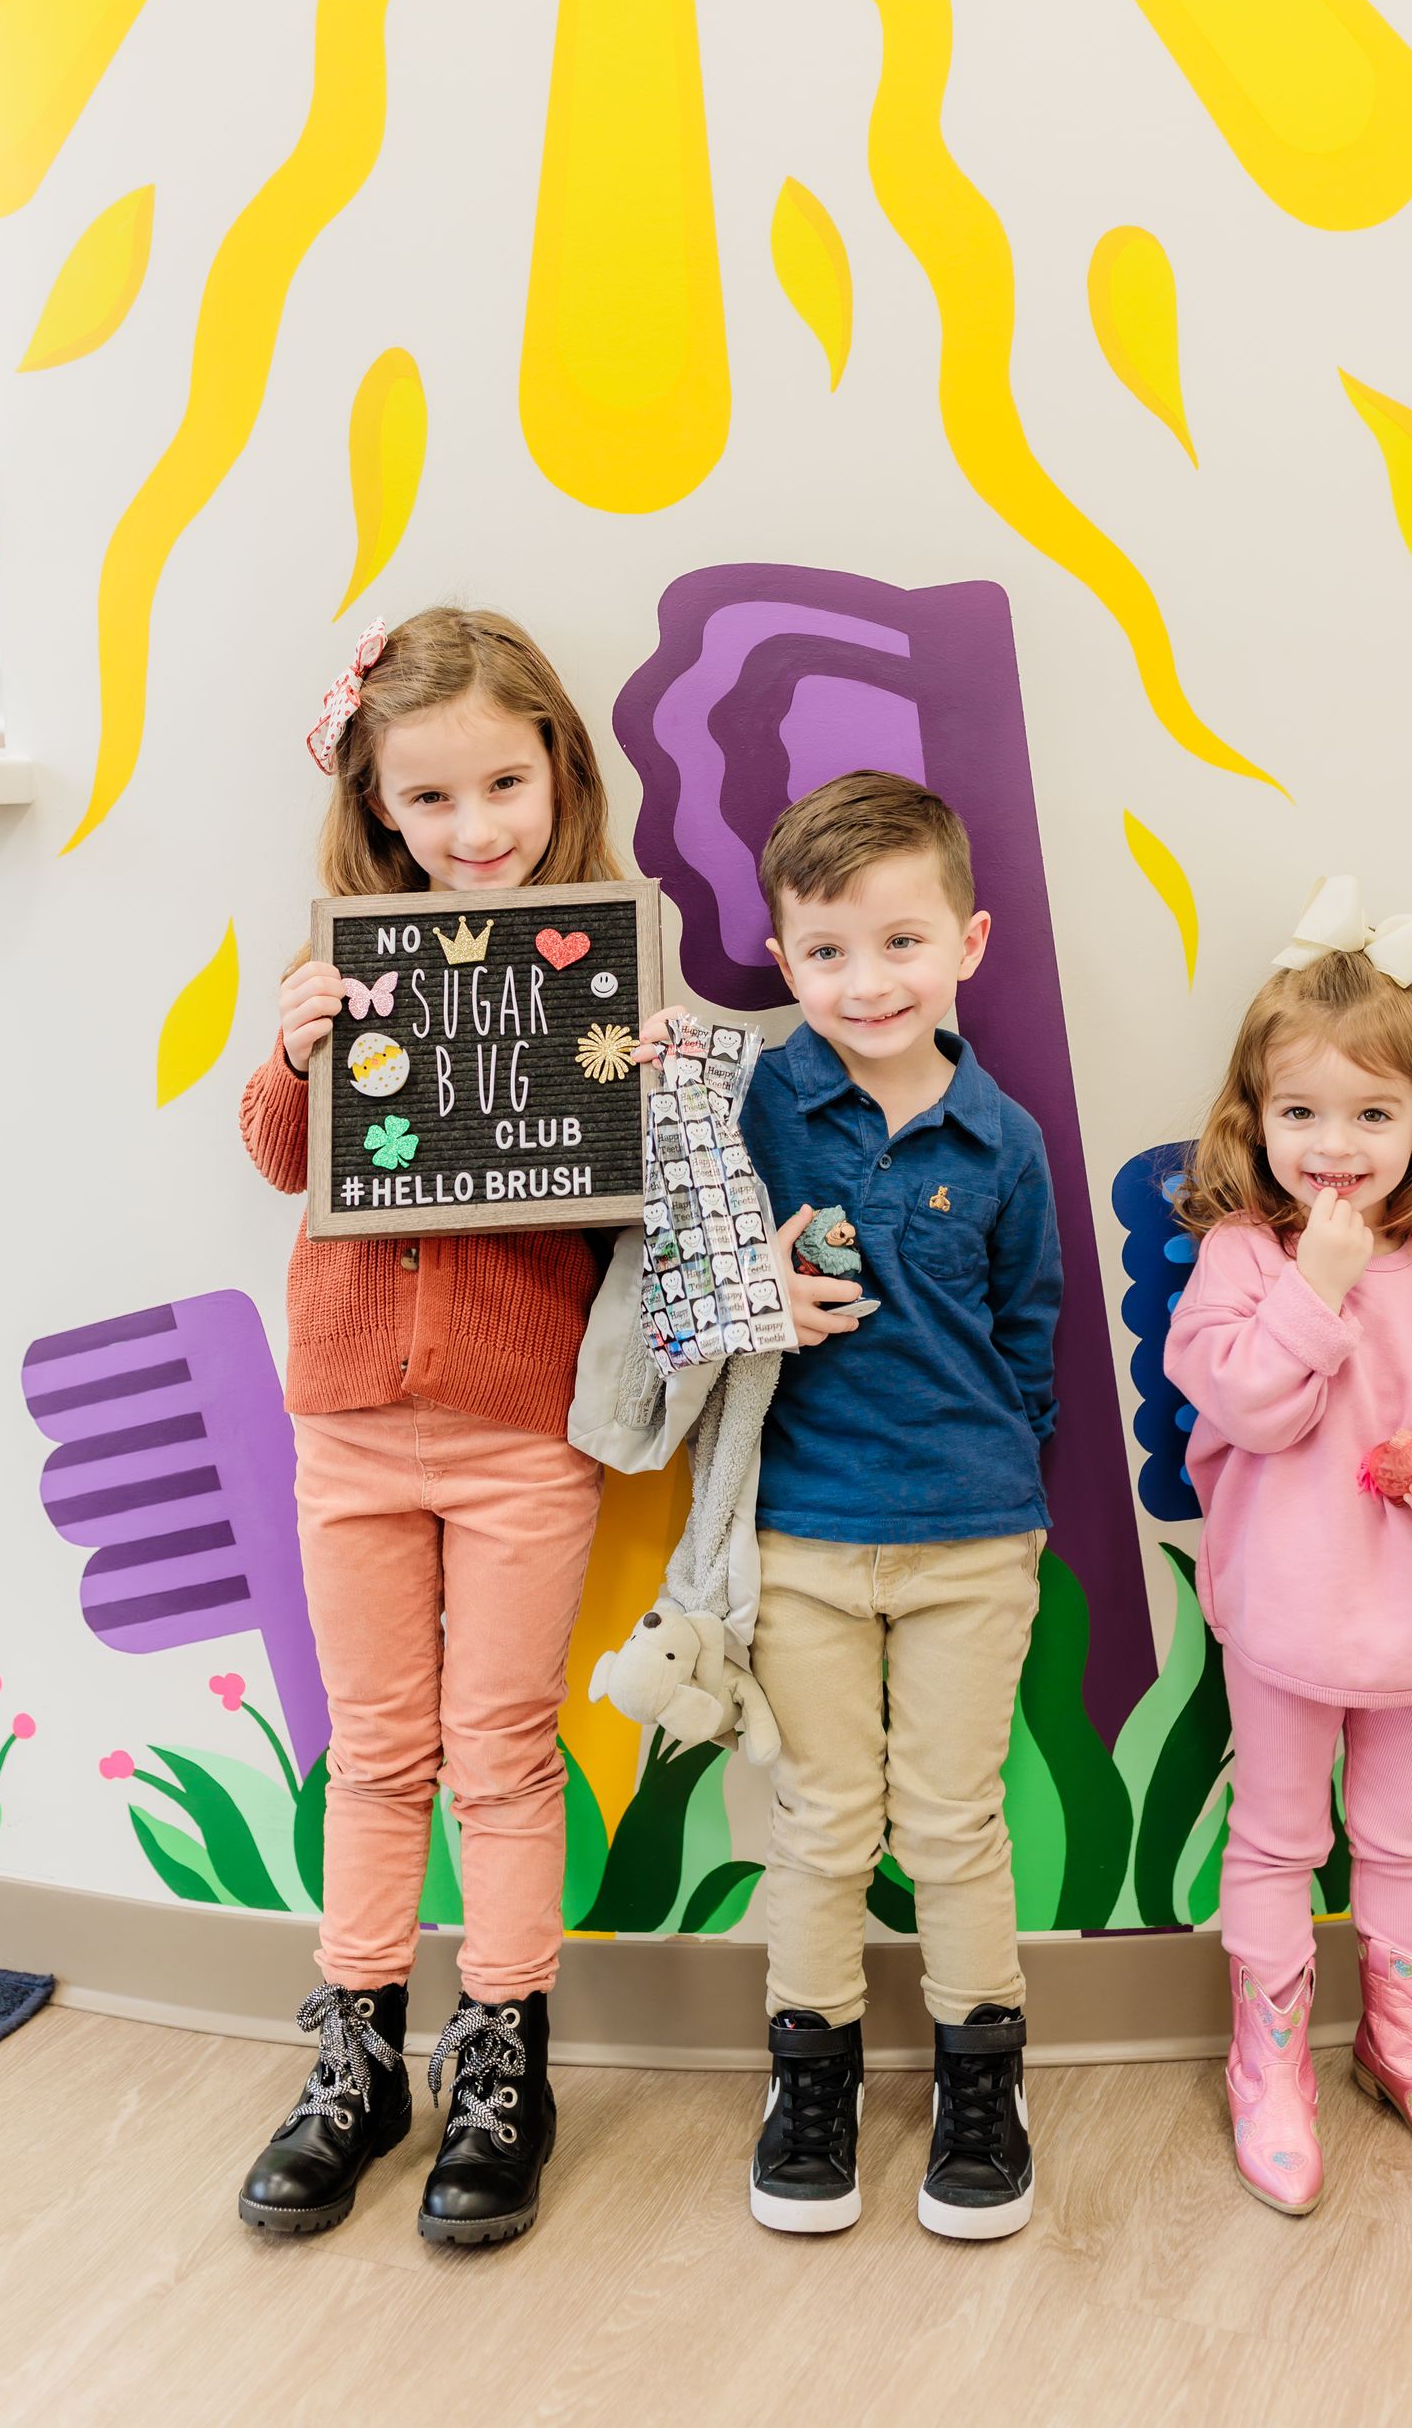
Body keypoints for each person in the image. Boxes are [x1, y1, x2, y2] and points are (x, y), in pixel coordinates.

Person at [234, 608, 615, 2246]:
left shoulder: (601, 962)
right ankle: (358, 2058)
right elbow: (277, 1158)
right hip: (347, 1422)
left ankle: (507, 2059)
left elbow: (628, 1209)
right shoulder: (349, 961)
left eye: (504, 787)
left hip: (523, 1430)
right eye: (435, 799)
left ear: (558, 773)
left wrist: (640, 1086)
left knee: (503, 1756)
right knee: (379, 1753)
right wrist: (295, 1056)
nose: (475, 830)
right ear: (379, 803)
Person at [640, 770, 1060, 2238]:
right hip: (801, 1540)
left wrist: (1003, 1494)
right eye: (824, 952)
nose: (863, 980)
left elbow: (1031, 1336)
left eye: (899, 943)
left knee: (953, 1825)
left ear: (969, 942)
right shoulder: (759, 1104)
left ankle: (981, 2079)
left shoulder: (1005, 1143)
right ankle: (809, 2076)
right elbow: (682, 1295)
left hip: (971, 1542)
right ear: (782, 957)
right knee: (821, 1826)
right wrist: (756, 1286)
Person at [1165, 878, 1412, 2216]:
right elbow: (1243, 1404)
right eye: (1302, 1114)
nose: (1335, 1146)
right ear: (1256, 1118)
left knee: (1400, 1840)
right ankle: (1266, 2062)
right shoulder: (1241, 1256)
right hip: (1283, 1623)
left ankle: (1407, 2039)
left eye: (1373, 1115)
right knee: (1278, 1840)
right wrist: (1317, 1287)